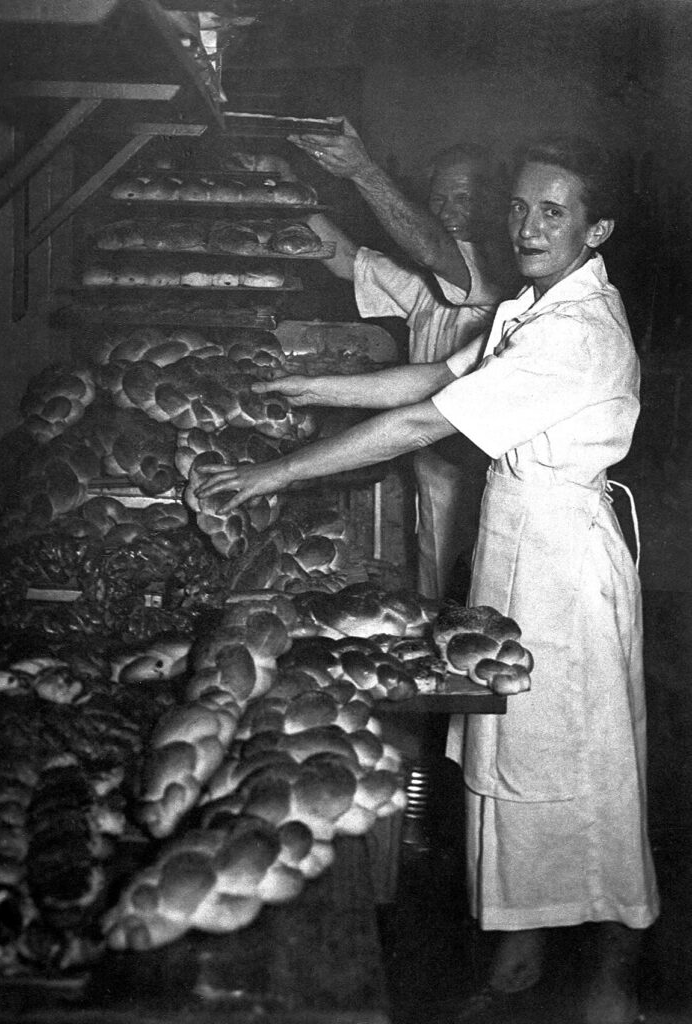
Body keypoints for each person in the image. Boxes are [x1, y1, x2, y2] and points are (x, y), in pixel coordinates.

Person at [196, 134, 659, 1024]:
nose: (526, 225)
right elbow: (433, 374)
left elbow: (420, 423)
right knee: (509, 761)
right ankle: (517, 960)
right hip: (516, 544)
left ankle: (615, 982)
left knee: (589, 771)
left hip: (564, 564)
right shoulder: (529, 305)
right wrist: (305, 389)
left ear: (594, 229)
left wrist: (275, 473)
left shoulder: (578, 332)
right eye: (519, 207)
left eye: (551, 212)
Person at [288, 121, 516, 602]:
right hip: (431, 465)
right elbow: (349, 260)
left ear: (498, 204)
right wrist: (283, 194)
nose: (449, 212)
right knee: (439, 595)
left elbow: (433, 248)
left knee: (482, 601)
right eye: (439, 198)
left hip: (479, 473)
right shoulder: (431, 288)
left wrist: (363, 171)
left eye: (465, 197)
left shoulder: (503, 273)